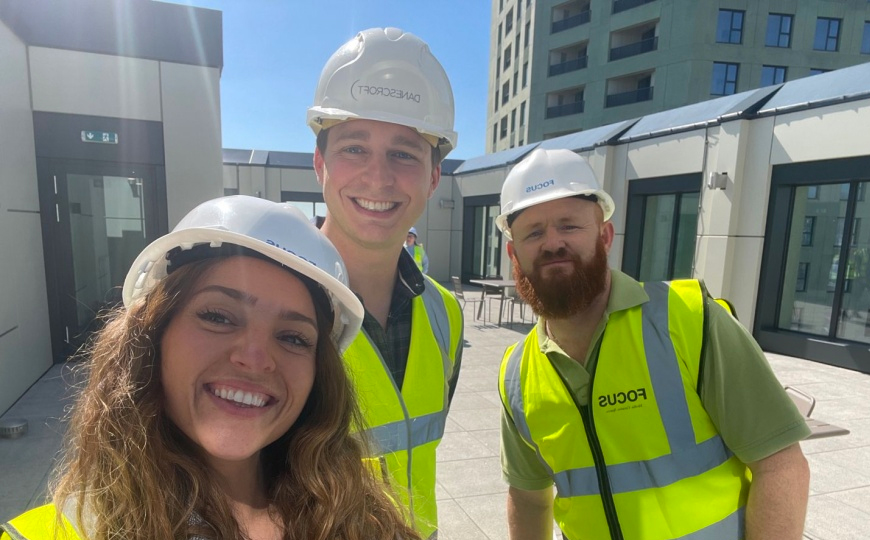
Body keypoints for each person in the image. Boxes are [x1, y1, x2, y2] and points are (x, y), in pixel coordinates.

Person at [0, 196, 422, 540]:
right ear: (153, 335)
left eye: (294, 338)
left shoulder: (359, 514)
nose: (255, 358)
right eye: (218, 316)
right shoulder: (53, 534)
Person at [495, 149, 811, 540]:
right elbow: (529, 499)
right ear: (514, 254)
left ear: (605, 237)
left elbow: (780, 465)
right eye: (534, 232)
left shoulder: (690, 320)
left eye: (569, 225)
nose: (552, 243)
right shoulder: (517, 374)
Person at [307, 27, 463, 538]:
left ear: (433, 177)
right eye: (354, 148)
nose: (378, 178)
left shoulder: (444, 314)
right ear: (320, 163)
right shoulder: (271, 304)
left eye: (404, 153)